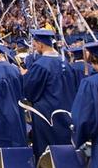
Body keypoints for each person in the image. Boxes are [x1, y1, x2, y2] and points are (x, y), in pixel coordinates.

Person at [22, 29, 76, 160]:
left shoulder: (40, 65)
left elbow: (30, 92)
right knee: (67, 151)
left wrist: (26, 76)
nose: (34, 47)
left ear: (40, 44)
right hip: (67, 113)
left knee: (49, 154)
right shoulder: (65, 63)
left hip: (47, 117)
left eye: (35, 44)